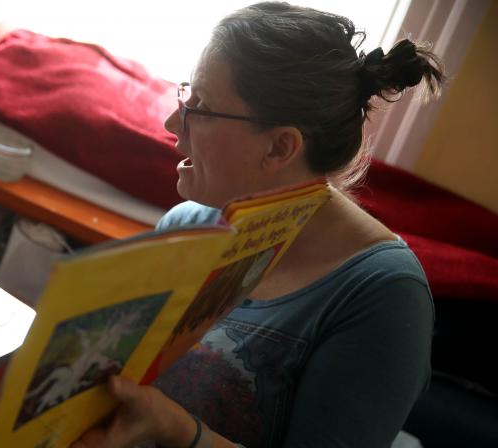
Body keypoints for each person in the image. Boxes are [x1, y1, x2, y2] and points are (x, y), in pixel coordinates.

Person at [73, 3, 442, 448]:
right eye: (185, 95)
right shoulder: (185, 228)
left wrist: (178, 432)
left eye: (202, 106)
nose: (173, 122)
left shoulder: (382, 297)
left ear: (279, 147)